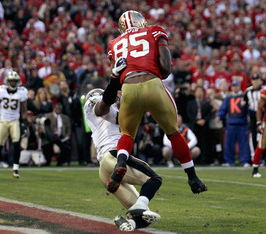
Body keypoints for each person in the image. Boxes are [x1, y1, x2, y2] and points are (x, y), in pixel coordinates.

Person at [106, 10, 207, 215]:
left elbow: (117, 77)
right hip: (152, 83)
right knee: (173, 131)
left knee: (127, 133)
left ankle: (122, 162)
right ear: (139, 21)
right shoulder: (153, 30)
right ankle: (193, 177)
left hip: (128, 88)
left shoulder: (114, 44)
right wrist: (153, 75)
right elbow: (166, 65)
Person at [84, 60, 162, 231]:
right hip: (113, 156)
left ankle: (128, 223)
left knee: (144, 215)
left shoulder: (119, 113)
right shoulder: (95, 105)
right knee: (155, 180)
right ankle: (127, 184)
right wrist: (115, 80)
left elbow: (124, 117)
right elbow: (103, 107)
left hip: (104, 170)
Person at [0, 71, 28, 179]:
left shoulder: (21, 92)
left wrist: (24, 124)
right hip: (4, 121)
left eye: (15, 81)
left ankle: (15, 169)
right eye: (11, 81)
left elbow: (24, 110)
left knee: (16, 144)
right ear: (7, 81)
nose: (13, 83)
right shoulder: (1, 91)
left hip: (14, 121)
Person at [216, 81, 250, 167]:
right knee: (229, 143)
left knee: (244, 143)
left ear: (239, 86)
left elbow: (249, 108)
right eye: (233, 86)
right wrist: (219, 116)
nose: (235, 88)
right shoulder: (228, 98)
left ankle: (244, 160)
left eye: (236, 86)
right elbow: (223, 109)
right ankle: (229, 160)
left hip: (242, 123)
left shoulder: (244, 96)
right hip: (231, 123)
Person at [42, 102, 71, 166]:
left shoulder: (65, 118)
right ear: (54, 108)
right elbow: (46, 128)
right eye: (57, 108)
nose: (58, 110)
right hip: (50, 138)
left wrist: (66, 137)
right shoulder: (48, 116)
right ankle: (47, 161)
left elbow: (69, 129)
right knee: (47, 146)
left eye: (59, 109)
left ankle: (61, 161)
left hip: (61, 138)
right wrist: (50, 136)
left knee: (65, 147)